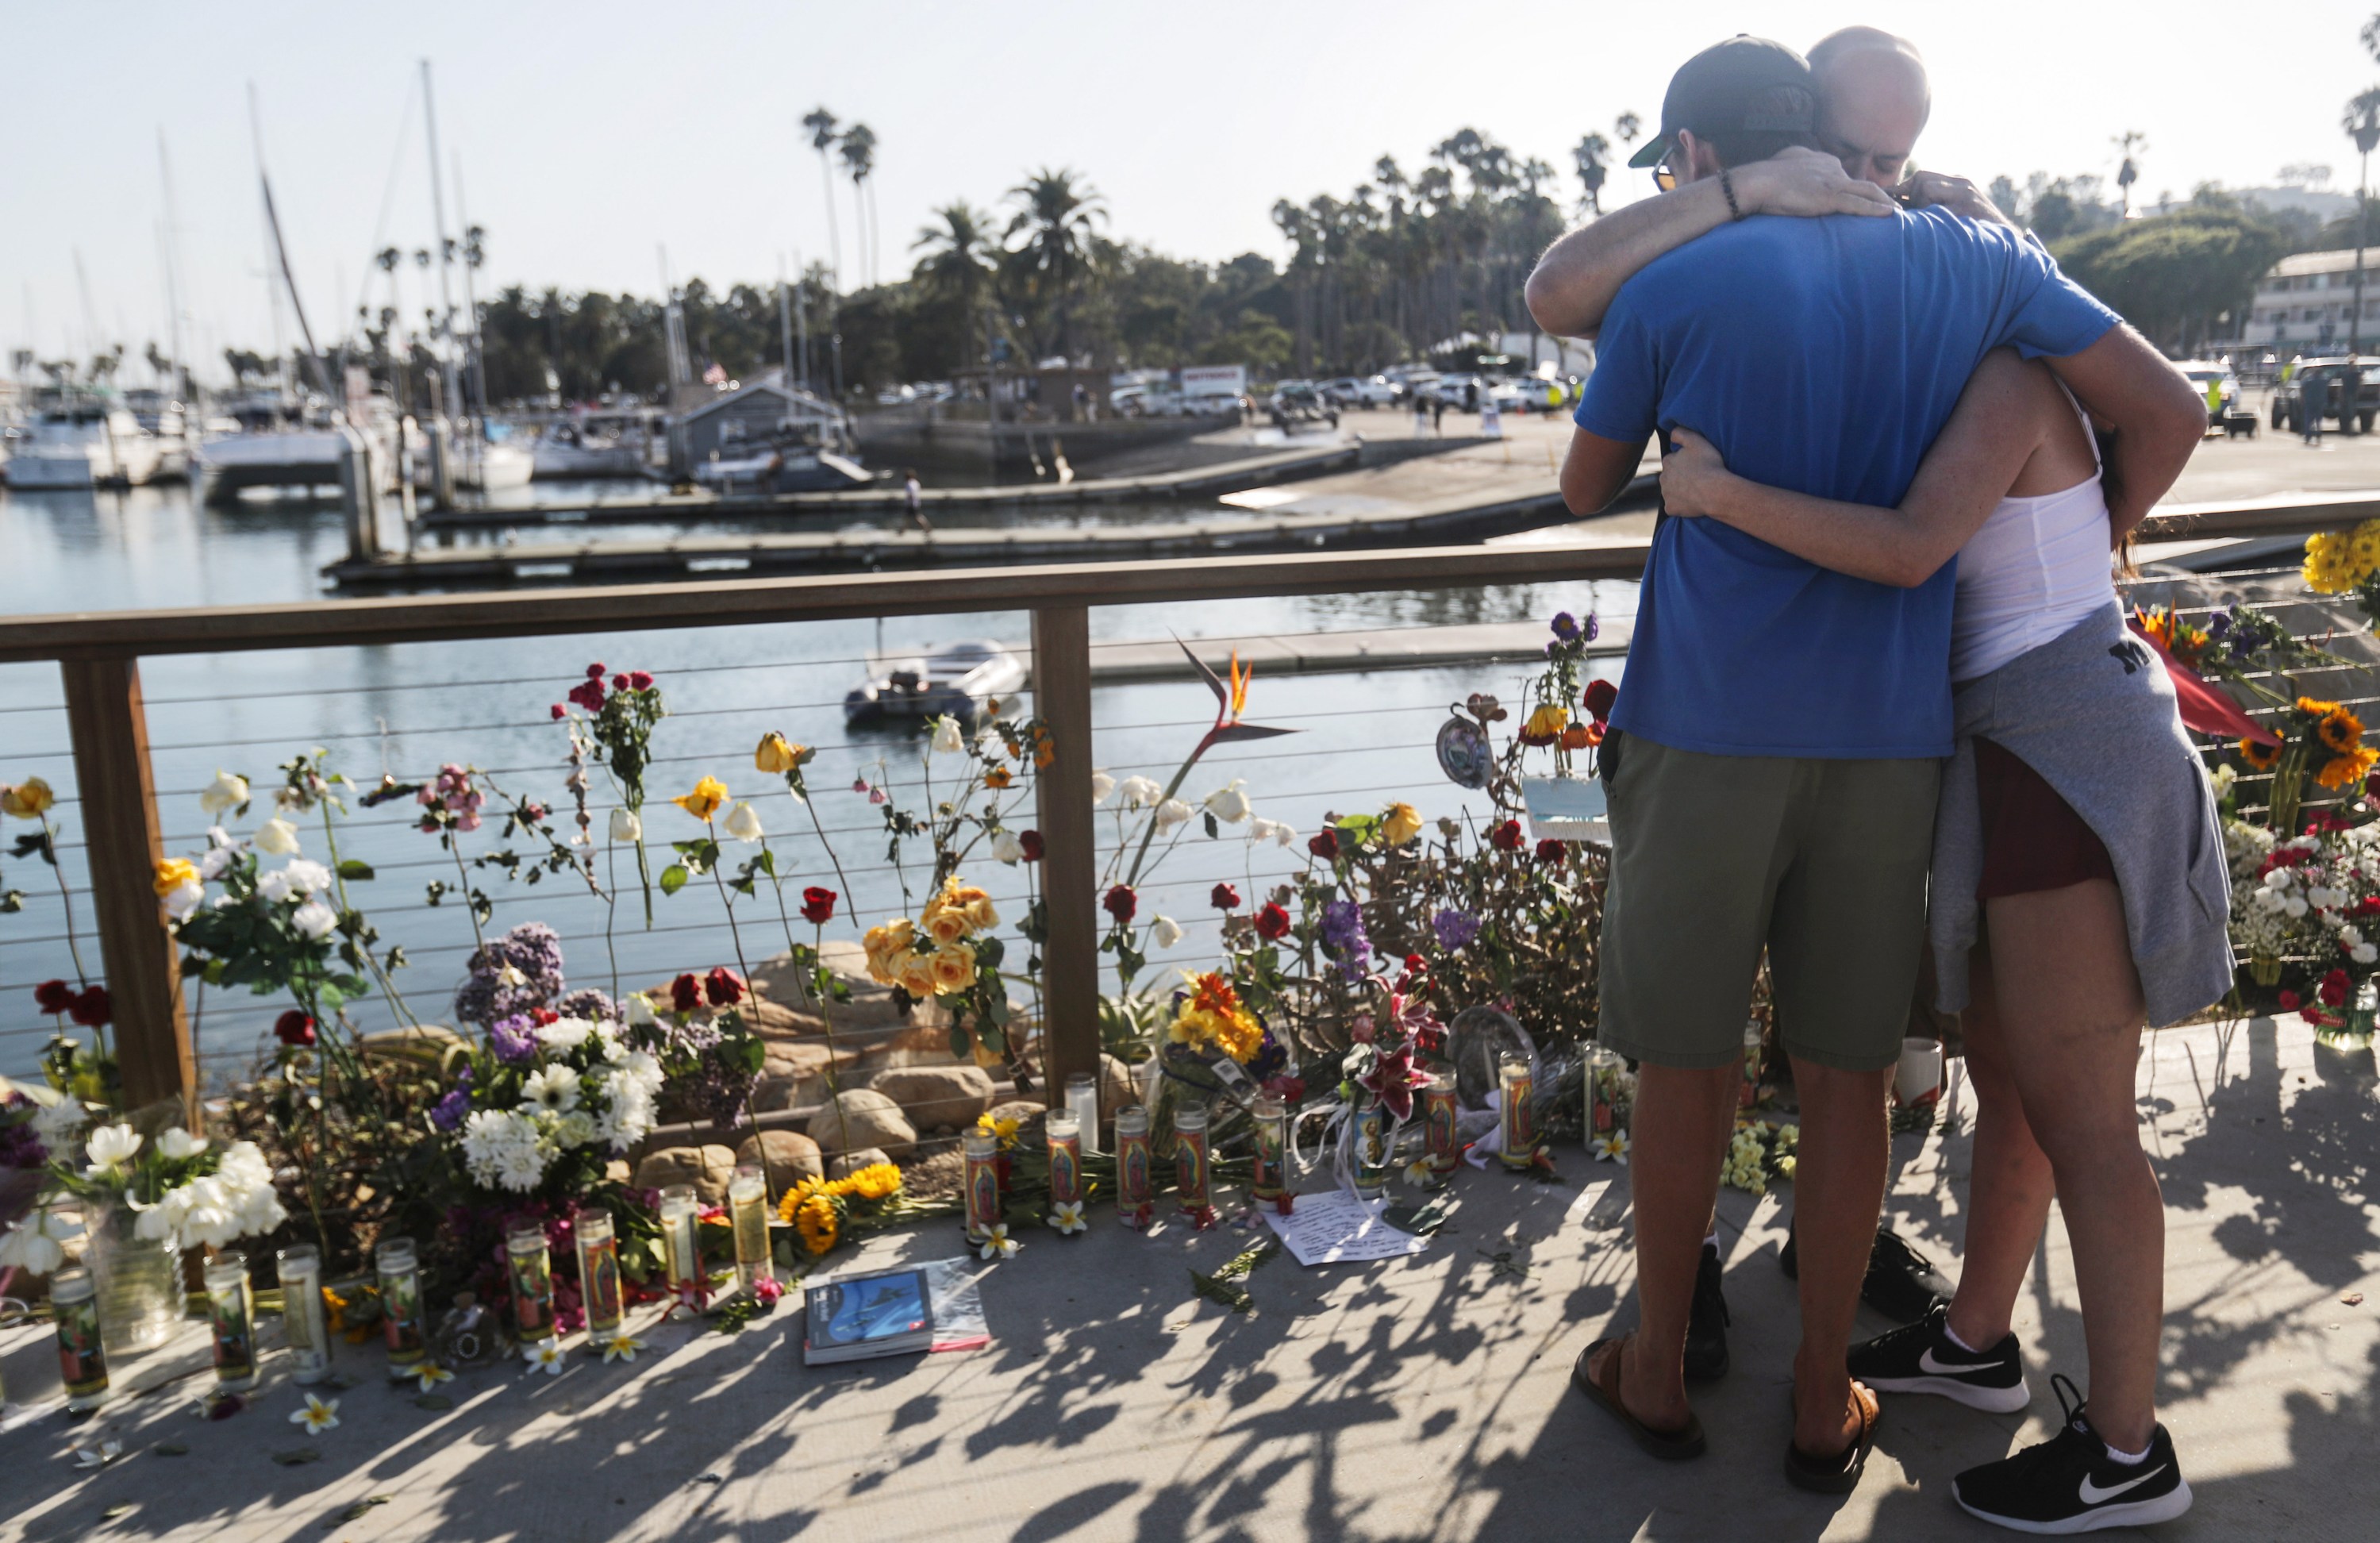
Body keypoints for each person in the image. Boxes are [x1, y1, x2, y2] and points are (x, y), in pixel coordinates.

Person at [1549, 34, 2206, 1503]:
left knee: (1687, 1059)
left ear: (1713, 155)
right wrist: (2104, 550)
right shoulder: (1976, 266)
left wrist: (1695, 446)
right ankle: (1821, 1394)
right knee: (1851, 1070)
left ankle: (1657, 1363)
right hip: (1894, 737)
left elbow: (1580, 452)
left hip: (1713, 715)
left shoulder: (1680, 275)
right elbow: (2158, 401)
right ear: (1850, 142)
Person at [1659, 342, 2221, 1531]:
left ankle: (2127, 1456)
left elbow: (1917, 547)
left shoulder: (2010, 374)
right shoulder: (1937, 383)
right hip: (2008, 738)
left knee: (2087, 1122)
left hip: (2066, 734)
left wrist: (1710, 493)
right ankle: (1975, 1344)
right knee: (2013, 1083)